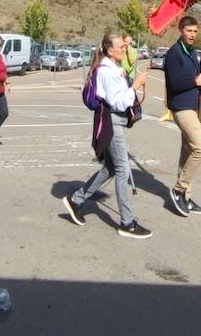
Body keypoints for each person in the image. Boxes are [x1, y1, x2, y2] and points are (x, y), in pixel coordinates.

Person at [62, 33, 151, 238]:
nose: (124, 49)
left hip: (115, 121)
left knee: (111, 167)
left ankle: (76, 200)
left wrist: (134, 86)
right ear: (110, 50)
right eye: (121, 46)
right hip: (111, 123)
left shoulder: (114, 69)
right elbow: (118, 102)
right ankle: (126, 223)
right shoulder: (107, 71)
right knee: (122, 169)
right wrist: (135, 86)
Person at [163, 15, 201, 217]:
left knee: (187, 152)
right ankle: (179, 188)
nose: (192, 35)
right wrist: (196, 81)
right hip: (182, 108)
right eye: (189, 31)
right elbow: (175, 83)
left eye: (195, 31)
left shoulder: (191, 52)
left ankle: (186, 197)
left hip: (195, 106)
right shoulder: (174, 53)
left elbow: (194, 74)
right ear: (180, 31)